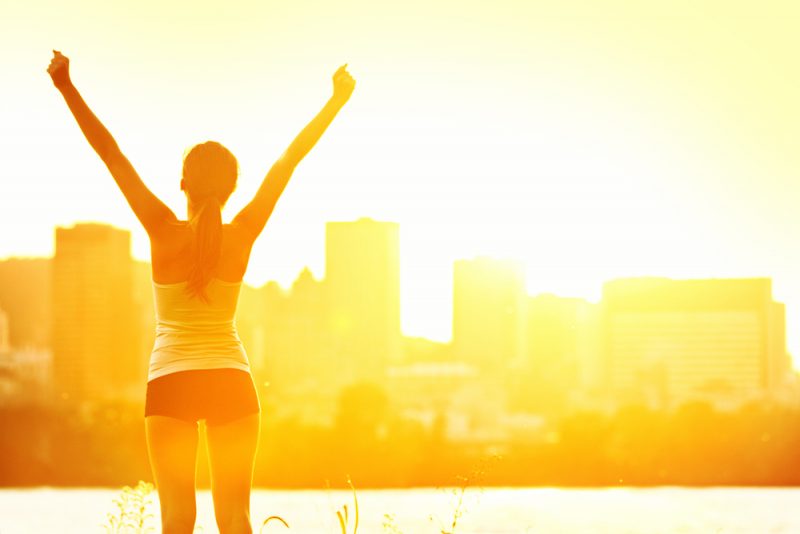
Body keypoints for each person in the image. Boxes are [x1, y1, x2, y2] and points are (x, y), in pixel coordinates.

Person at [47, 50, 355, 534]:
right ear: (233, 188)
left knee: (178, 521)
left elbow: (110, 153)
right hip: (231, 379)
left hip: (171, 382)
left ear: (183, 183)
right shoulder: (243, 232)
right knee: (235, 519)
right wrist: (336, 101)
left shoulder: (161, 229)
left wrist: (65, 86)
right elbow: (290, 159)